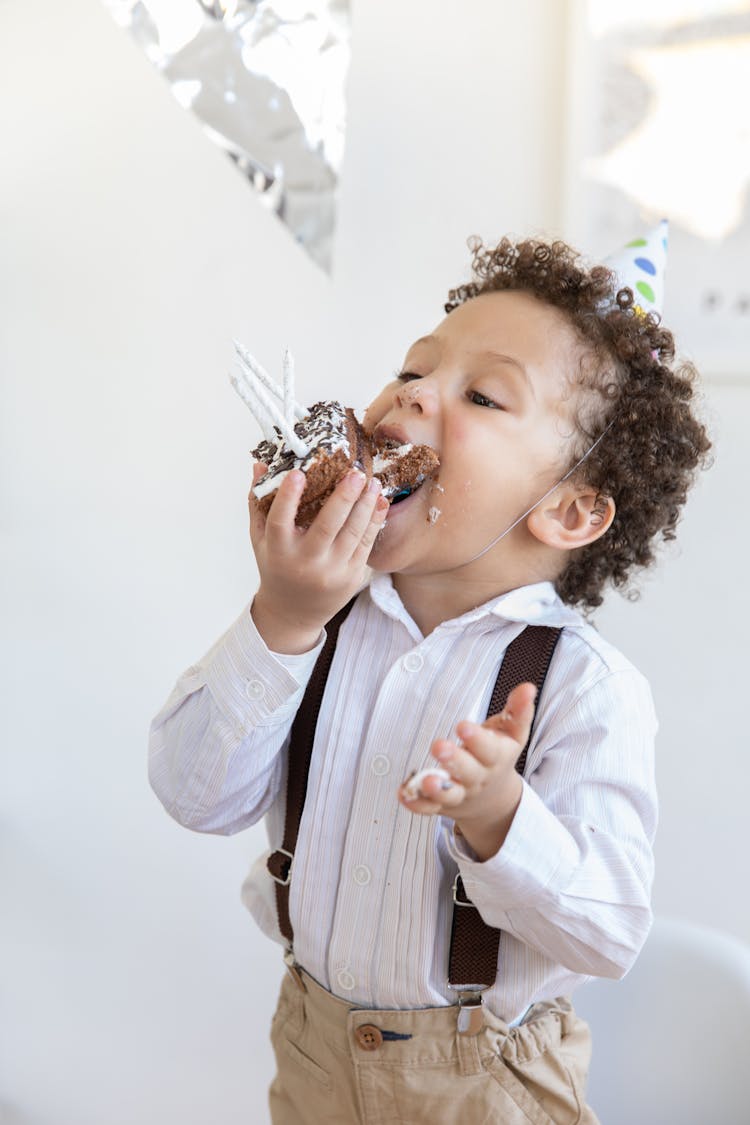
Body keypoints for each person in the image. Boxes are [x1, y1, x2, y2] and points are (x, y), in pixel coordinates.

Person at [149, 233, 711, 1124]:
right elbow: (192, 795)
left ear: (568, 508)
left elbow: (606, 931)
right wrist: (284, 618)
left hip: (488, 1081)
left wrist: (498, 817)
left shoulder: (582, 685)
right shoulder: (316, 617)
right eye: (415, 369)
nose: (413, 392)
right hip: (310, 1049)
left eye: (482, 395)